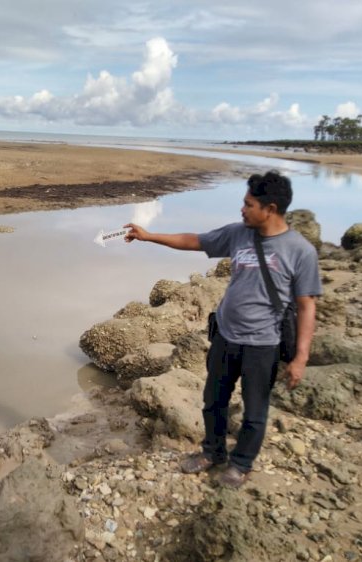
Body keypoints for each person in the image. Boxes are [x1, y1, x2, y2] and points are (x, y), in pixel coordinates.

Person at [124, 170, 322, 488]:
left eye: (248, 204)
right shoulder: (238, 233)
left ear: (270, 209)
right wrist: (149, 236)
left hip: (263, 344)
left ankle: (240, 465)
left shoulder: (300, 251)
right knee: (213, 401)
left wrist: (300, 358)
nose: (242, 209)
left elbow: (306, 306)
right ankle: (212, 453)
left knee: (255, 411)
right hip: (226, 337)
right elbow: (195, 240)